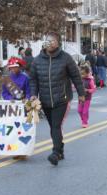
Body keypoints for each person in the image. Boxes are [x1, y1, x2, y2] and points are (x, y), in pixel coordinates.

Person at [30, 32, 85, 166]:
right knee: (53, 126)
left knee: (56, 125)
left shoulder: (66, 58)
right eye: (47, 41)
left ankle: (55, 153)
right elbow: (33, 80)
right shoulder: (37, 60)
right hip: (45, 99)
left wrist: (81, 93)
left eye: (52, 41)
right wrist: (33, 95)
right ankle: (60, 150)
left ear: (57, 43)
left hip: (62, 98)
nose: (49, 43)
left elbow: (76, 76)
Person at [2, 57, 31, 160]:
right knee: (13, 129)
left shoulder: (25, 78)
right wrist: (10, 98)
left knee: (23, 129)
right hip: (12, 107)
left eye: (15, 67)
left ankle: (23, 151)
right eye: (11, 68)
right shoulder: (7, 79)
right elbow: (4, 93)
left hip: (23, 106)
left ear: (19, 67)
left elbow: (28, 91)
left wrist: (26, 99)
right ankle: (16, 150)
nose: (13, 69)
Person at [78, 62, 96, 128]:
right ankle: (83, 119)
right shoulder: (80, 79)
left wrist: (88, 90)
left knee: (85, 111)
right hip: (80, 97)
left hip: (87, 98)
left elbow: (94, 89)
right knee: (79, 110)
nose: (81, 75)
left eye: (83, 74)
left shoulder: (90, 80)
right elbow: (76, 86)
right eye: (80, 73)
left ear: (87, 73)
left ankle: (85, 122)